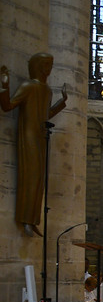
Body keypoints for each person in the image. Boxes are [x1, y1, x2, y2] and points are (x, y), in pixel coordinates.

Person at [0, 53, 67, 236]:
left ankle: (33, 218)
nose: (49, 68)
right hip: (29, 134)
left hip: (41, 134)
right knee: (30, 176)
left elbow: (46, 115)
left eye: (51, 64)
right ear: (37, 65)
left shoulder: (47, 90)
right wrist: (4, 86)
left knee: (39, 179)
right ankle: (25, 218)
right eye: (46, 64)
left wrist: (62, 103)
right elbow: (7, 106)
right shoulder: (28, 86)